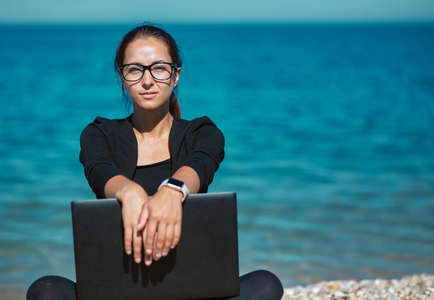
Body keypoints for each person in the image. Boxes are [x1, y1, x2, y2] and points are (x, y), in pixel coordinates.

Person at [26, 24, 283, 300]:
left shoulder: (201, 133)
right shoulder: (99, 133)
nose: (147, 81)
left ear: (176, 76)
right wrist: (129, 191)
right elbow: (99, 170)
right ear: (122, 78)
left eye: (159, 68)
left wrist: (173, 191)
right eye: (135, 70)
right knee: (45, 290)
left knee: (266, 284)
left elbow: (201, 162)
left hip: (190, 289)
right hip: (118, 291)